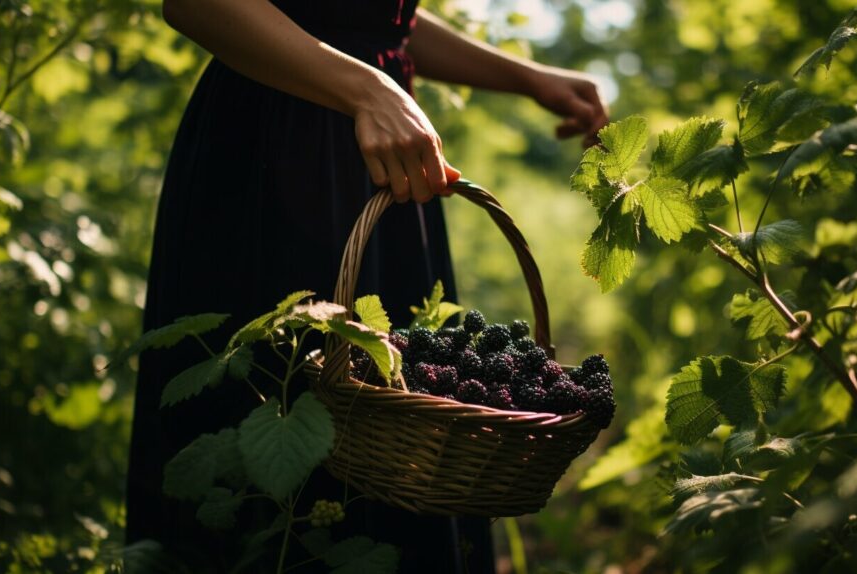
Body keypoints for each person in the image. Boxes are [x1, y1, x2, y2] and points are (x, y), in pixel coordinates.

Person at [125, 0, 608, 571]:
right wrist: (368, 91)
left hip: (386, 160)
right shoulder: (357, 100)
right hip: (272, 152)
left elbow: (375, 16)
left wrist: (528, 78)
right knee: (263, 409)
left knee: (395, 418)